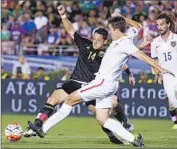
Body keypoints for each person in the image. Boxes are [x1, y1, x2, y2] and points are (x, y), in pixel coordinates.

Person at [28, 15, 173, 147]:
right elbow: (138, 27)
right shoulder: (128, 36)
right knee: (102, 119)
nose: (109, 33)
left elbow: (142, 56)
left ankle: (43, 129)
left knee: (70, 99)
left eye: (111, 30)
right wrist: (123, 18)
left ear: (117, 30)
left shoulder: (124, 43)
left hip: (103, 83)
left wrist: (159, 68)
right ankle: (133, 138)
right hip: (109, 85)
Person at [24, 5, 141, 144]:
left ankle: (114, 135)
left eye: (99, 39)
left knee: (99, 115)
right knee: (53, 98)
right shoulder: (85, 44)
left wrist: (130, 74)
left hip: (91, 85)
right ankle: (37, 126)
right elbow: (70, 30)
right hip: (74, 81)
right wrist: (63, 16)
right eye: (94, 38)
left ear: (105, 40)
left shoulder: (109, 52)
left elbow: (122, 63)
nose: (95, 41)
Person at [150, 12, 177, 129]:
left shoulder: (176, 38)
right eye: (158, 25)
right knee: (172, 103)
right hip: (167, 76)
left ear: (168, 24)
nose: (159, 27)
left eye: (162, 24)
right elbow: (154, 61)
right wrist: (157, 72)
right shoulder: (155, 43)